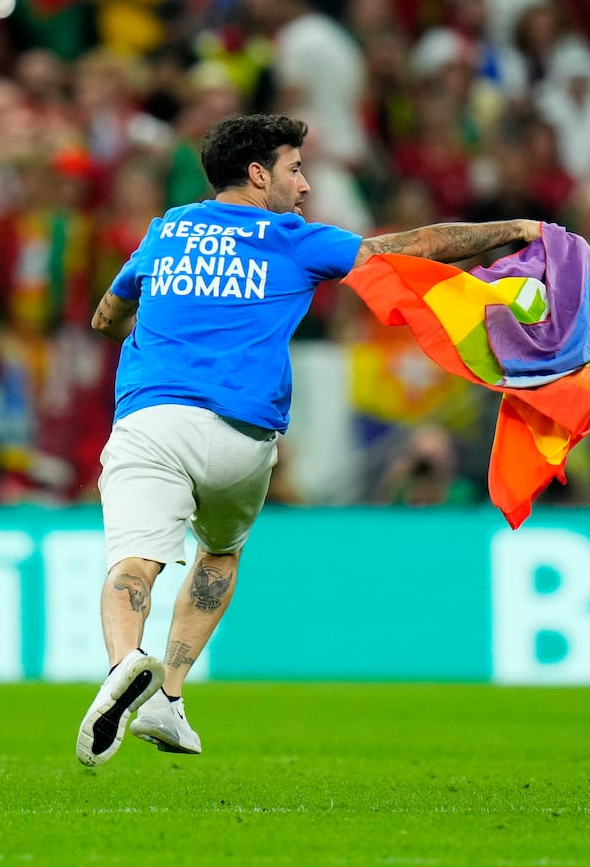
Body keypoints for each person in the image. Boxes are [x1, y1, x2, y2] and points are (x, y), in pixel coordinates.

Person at [76, 113, 542, 766]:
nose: (304, 187)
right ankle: (170, 701)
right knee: (218, 555)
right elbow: (413, 246)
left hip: (153, 420)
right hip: (243, 439)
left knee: (134, 563)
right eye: (295, 170)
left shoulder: (165, 231)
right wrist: (511, 230)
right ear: (259, 173)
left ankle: (126, 664)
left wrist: (137, 324)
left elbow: (105, 314)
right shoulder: (291, 240)